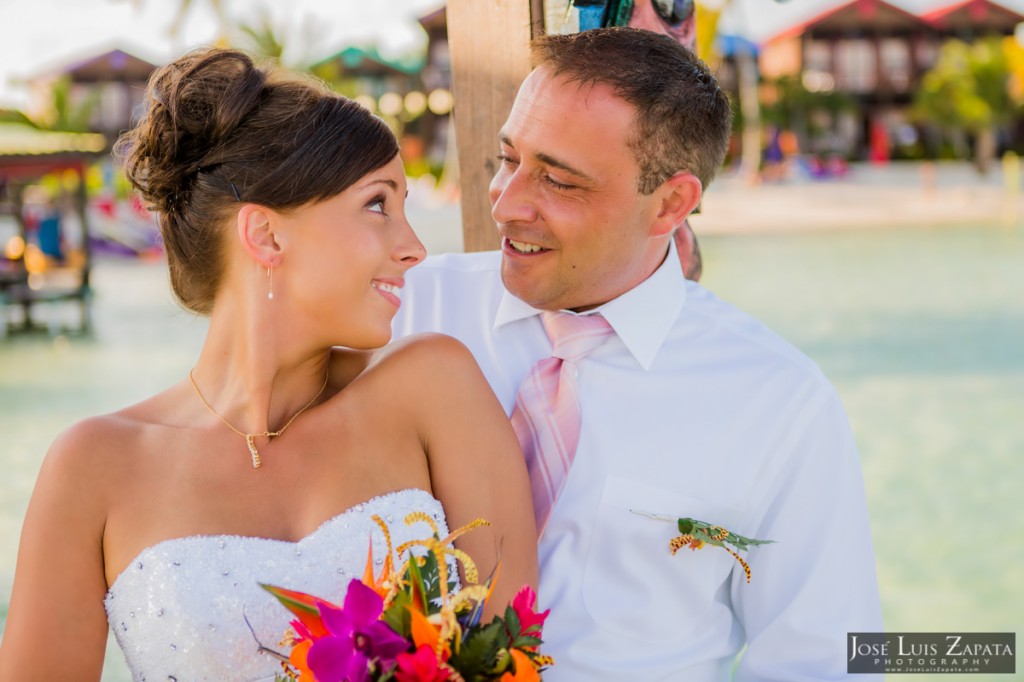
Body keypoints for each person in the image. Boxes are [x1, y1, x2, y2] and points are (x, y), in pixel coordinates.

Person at [0, 47, 537, 681]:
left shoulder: (436, 387)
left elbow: (513, 659)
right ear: (266, 236)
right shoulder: (93, 466)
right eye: (377, 204)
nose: (414, 247)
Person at [394, 27, 882, 680]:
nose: (507, 204)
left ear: (671, 203)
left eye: (559, 181)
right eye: (509, 159)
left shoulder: (782, 403)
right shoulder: (403, 311)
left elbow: (823, 659)